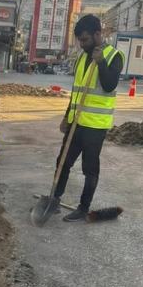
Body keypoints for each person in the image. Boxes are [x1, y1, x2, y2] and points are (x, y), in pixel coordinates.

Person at [54, 15, 125, 221]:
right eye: (80, 40)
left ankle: (83, 208)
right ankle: (55, 199)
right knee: (63, 162)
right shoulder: (81, 57)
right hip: (76, 123)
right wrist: (66, 117)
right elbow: (77, 92)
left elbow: (110, 84)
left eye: (85, 40)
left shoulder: (114, 56)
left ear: (97, 34)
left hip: (95, 126)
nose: (82, 44)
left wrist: (101, 62)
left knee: (89, 168)